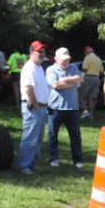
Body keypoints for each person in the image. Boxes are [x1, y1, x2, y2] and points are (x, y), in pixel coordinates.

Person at [45, 47, 84, 168]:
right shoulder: (50, 69)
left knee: (75, 136)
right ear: (56, 59)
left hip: (73, 108)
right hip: (55, 107)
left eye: (67, 59)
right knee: (53, 135)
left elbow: (80, 78)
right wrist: (73, 82)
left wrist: (65, 79)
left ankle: (77, 160)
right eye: (63, 60)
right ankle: (53, 159)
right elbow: (55, 85)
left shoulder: (73, 67)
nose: (65, 62)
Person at [18, 41, 50, 175]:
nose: (42, 54)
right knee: (30, 138)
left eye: (43, 51)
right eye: (39, 51)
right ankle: (24, 166)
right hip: (33, 106)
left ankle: (32, 164)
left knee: (37, 139)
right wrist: (36, 105)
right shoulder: (30, 67)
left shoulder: (39, 67)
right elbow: (28, 88)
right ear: (32, 53)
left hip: (41, 107)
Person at [78, 45, 104, 119]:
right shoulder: (98, 59)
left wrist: (80, 74)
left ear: (86, 51)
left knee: (80, 94)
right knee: (92, 98)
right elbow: (102, 72)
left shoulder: (87, 57)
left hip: (88, 78)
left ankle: (85, 111)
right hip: (97, 79)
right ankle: (91, 114)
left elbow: (85, 69)